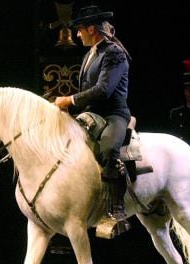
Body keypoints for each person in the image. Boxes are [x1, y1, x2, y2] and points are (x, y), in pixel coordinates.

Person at [54, 5, 132, 237]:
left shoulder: (114, 53)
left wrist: (70, 99)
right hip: (91, 113)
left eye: (80, 30)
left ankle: (116, 212)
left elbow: (103, 90)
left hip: (114, 114)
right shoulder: (91, 53)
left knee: (108, 149)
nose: (77, 35)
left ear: (91, 29)